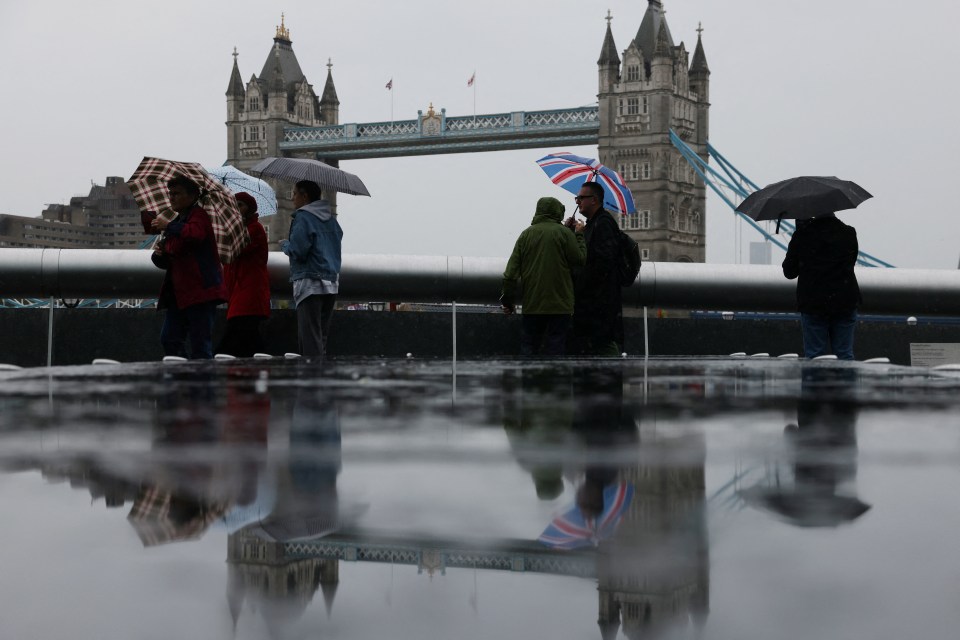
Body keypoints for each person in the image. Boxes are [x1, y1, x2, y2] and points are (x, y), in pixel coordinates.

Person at [150, 175, 226, 359]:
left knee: (200, 346)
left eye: (177, 193)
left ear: (192, 196)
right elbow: (168, 259)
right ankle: (184, 378)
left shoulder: (198, 216)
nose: (172, 198)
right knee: (169, 339)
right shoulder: (178, 221)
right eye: (170, 194)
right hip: (180, 294)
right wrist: (159, 253)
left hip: (200, 292)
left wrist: (168, 226)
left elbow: (195, 235)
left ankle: (201, 384)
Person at [500, 196, 586, 356]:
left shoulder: (525, 235)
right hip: (560, 306)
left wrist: (508, 302)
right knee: (556, 349)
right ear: (558, 212)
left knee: (529, 349)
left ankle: (530, 379)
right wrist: (579, 235)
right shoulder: (565, 234)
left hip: (533, 305)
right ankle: (554, 379)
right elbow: (579, 260)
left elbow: (510, 274)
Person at [781, 213, 861, 360]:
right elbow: (850, 263)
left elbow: (789, 272)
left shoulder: (803, 235)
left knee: (815, 356)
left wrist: (800, 236)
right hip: (845, 300)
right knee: (844, 354)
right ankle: (848, 383)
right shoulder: (849, 233)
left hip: (814, 303)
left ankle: (815, 383)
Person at [280, 180, 343, 359]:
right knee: (321, 337)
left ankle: (311, 380)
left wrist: (285, 245)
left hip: (309, 284)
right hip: (331, 282)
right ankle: (319, 378)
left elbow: (298, 251)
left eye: (294, 194)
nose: (292, 198)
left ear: (304, 195)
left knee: (309, 338)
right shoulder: (331, 219)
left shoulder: (303, 217)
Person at [567, 181, 624, 356]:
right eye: (577, 198)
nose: (577, 202)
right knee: (593, 343)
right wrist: (573, 232)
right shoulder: (593, 223)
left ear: (594, 200)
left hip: (599, 300)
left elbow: (602, 260)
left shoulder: (604, 223)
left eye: (581, 198)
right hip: (592, 299)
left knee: (603, 343)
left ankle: (611, 377)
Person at [216, 192, 270, 357]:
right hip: (239, 289)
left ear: (250, 209)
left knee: (236, 329)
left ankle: (216, 362)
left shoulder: (255, 229)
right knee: (248, 336)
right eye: (234, 204)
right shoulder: (240, 228)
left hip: (249, 290)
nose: (236, 208)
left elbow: (232, 249)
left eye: (240, 205)